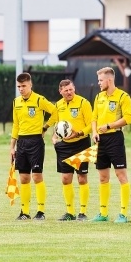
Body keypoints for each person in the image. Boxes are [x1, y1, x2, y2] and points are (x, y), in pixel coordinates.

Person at [10, 72, 57, 221]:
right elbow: (16, 125)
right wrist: (12, 146)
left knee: (36, 176)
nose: (21, 89)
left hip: (36, 141)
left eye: (24, 86)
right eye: (19, 86)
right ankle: (24, 212)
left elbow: (55, 112)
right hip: (22, 142)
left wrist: (46, 127)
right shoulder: (16, 102)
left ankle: (41, 211)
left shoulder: (39, 100)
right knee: (23, 178)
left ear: (30, 85)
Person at [91, 67, 131, 223]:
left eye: (101, 80)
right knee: (103, 177)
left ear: (109, 80)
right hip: (100, 140)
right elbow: (93, 117)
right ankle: (103, 213)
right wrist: (94, 132)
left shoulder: (123, 96)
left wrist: (109, 126)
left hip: (115, 139)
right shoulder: (98, 97)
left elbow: (128, 118)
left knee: (121, 175)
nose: (99, 83)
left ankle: (123, 214)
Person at [50, 79, 92, 221]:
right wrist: (54, 137)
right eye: (66, 90)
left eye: (71, 89)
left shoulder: (83, 103)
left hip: (81, 143)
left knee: (81, 178)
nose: (69, 92)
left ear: (74, 88)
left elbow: (91, 125)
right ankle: (69, 212)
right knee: (65, 179)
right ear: (60, 91)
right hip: (64, 146)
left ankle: (83, 212)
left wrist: (78, 133)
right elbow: (57, 124)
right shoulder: (58, 105)